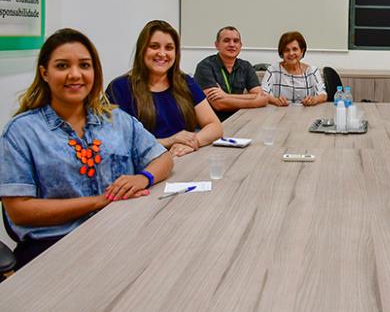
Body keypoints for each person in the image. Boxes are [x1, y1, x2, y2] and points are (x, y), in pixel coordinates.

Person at [0, 29, 174, 270]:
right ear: (45, 73)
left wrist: (143, 177)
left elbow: (163, 158)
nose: (75, 75)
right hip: (54, 248)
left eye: (84, 65)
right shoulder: (21, 132)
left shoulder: (116, 119)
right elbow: (20, 211)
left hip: (121, 235)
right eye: (62, 66)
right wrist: (99, 202)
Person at [106, 20, 222, 157]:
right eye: (154, 46)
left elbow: (215, 126)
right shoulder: (119, 88)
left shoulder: (187, 83)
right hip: (143, 170)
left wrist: (191, 142)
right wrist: (169, 141)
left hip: (185, 162)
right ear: (142, 50)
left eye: (169, 48)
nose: (162, 53)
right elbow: (115, 142)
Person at [193, 26, 267, 121]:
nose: (232, 44)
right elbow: (219, 104)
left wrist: (226, 96)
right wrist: (254, 103)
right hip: (210, 124)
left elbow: (258, 94)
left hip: (238, 120)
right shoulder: (205, 66)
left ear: (240, 45)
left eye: (236, 41)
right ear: (217, 45)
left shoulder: (246, 66)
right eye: (226, 40)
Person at [261, 31, 327, 106]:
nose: (291, 53)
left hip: (307, 114)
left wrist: (314, 100)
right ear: (282, 53)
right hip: (279, 114)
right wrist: (275, 101)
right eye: (287, 50)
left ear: (302, 51)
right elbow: (263, 93)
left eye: (295, 49)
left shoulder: (312, 71)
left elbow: (323, 95)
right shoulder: (272, 70)